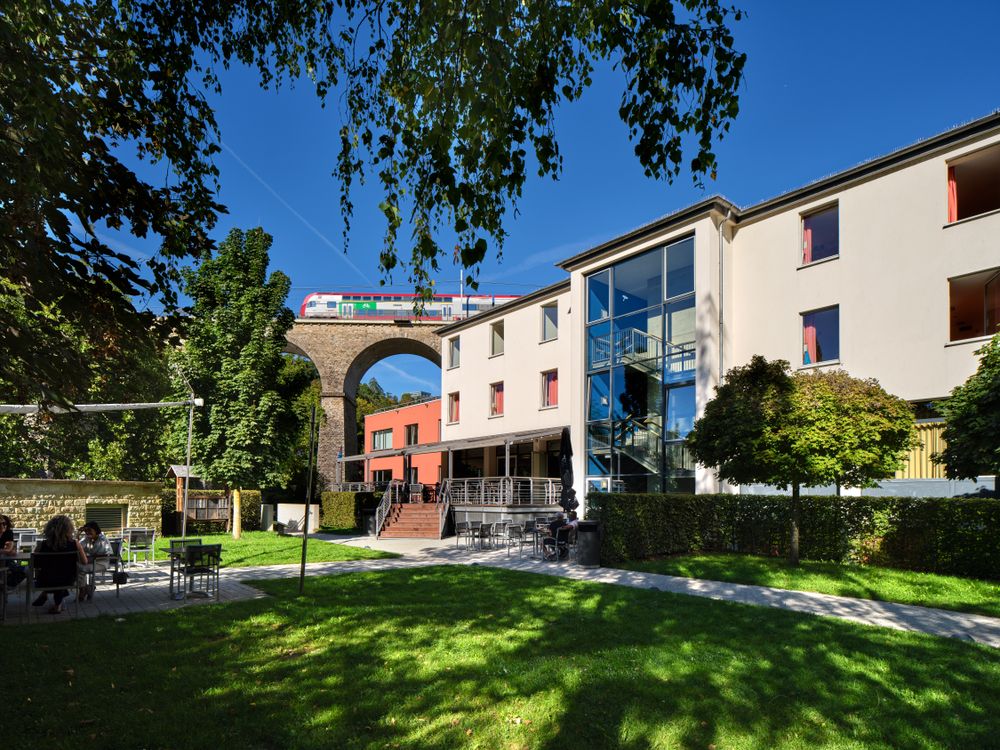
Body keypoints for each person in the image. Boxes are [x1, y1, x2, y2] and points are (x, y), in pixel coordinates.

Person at [32, 515, 88, 614]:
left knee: (53, 575)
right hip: (68, 580)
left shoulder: (42, 545)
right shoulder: (75, 544)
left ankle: (47, 596)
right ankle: (57, 605)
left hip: (45, 580)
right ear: (69, 529)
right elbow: (84, 561)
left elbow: (34, 564)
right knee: (61, 575)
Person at [77, 521, 112, 601]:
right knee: (75, 567)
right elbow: (78, 546)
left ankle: (83, 590)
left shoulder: (103, 539)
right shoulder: (87, 538)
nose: (87, 532)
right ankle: (86, 588)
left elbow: (108, 554)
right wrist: (78, 534)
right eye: (86, 531)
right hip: (90, 562)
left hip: (101, 563)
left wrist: (92, 557)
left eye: (89, 530)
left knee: (81, 568)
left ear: (95, 530)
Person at [1, 515, 27, 589]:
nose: (4, 526)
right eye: (2, 524)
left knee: (25, 565)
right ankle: (8, 585)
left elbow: (11, 550)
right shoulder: (8, 533)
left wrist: (9, 550)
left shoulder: (8, 533)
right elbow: (9, 550)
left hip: (7, 561)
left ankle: (8, 585)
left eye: (5, 524)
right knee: (26, 568)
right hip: (6, 563)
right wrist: (6, 551)